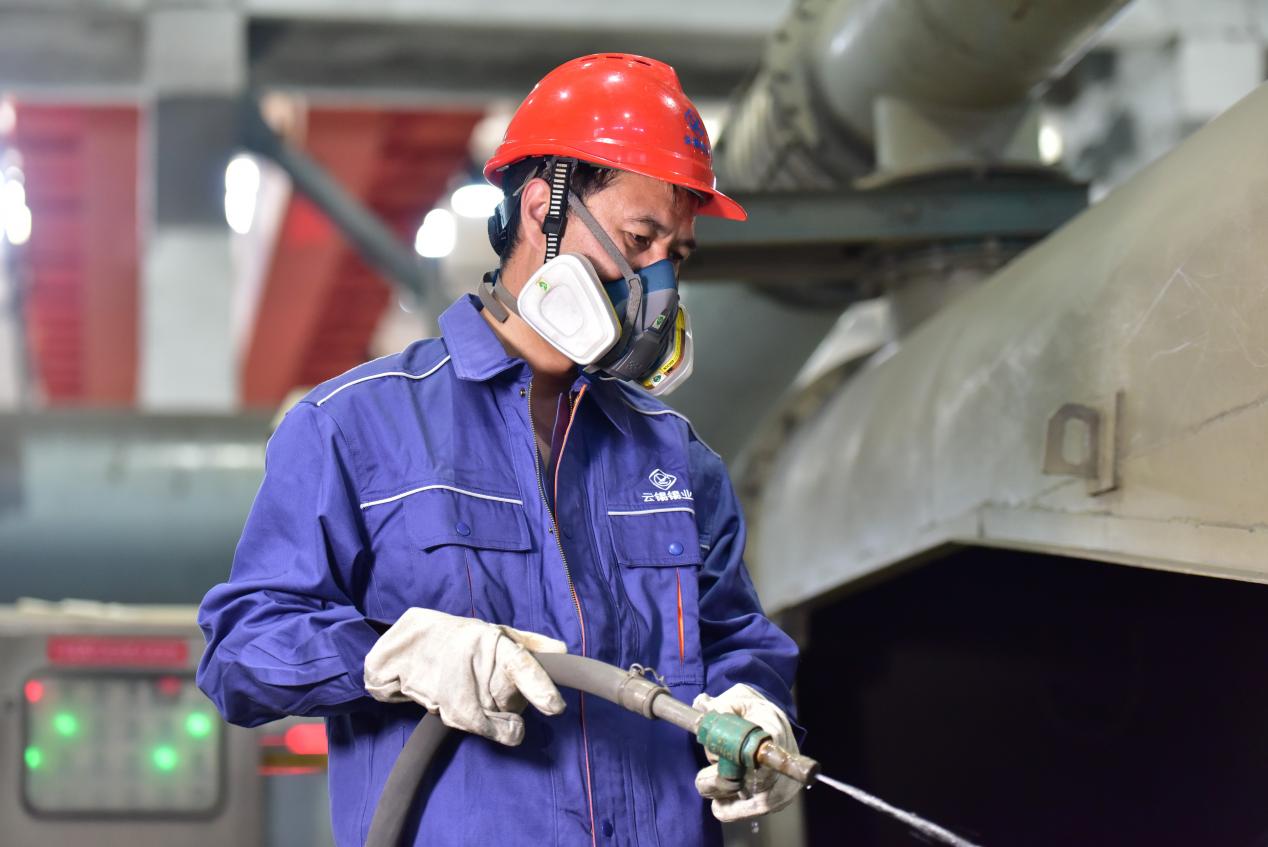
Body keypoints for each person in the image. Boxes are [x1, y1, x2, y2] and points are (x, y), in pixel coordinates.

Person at [197, 53, 801, 846]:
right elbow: (240, 653)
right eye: (639, 238)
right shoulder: (352, 427)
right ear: (543, 208)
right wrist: (391, 655)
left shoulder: (676, 459)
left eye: (675, 255)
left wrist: (758, 705)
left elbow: (736, 642)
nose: (658, 286)